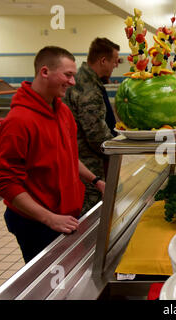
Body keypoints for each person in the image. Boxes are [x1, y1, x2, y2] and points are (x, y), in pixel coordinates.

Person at [0, 46, 105, 263]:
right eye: (68, 75)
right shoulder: (18, 121)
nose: (72, 82)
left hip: (66, 216)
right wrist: (50, 219)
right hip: (37, 223)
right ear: (45, 72)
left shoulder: (62, 111)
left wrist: (96, 181)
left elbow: (70, 157)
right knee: (48, 290)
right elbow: (6, 182)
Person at [63, 37, 120, 215]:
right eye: (114, 61)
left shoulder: (89, 82)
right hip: (88, 166)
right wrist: (120, 150)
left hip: (86, 164)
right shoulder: (87, 88)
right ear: (103, 60)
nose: (115, 66)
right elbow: (96, 135)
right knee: (91, 216)